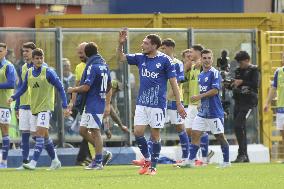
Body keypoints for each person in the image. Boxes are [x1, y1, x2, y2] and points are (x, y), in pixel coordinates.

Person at [117, 29, 186, 175]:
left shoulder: (165, 60)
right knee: (138, 132)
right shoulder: (140, 57)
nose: (142, 45)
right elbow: (121, 57)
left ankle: (153, 167)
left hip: (158, 104)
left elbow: (174, 83)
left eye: (146, 43)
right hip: (142, 103)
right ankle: (147, 159)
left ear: (154, 46)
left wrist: (179, 103)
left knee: (155, 136)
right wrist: (120, 44)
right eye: (143, 42)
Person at [8, 48, 70, 170]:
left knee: (40, 135)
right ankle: (55, 161)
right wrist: (14, 97)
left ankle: (33, 162)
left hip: (45, 108)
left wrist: (64, 105)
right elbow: (23, 88)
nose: (39, 60)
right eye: (37, 58)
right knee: (42, 136)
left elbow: (60, 88)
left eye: (41, 58)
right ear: (33, 59)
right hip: (34, 108)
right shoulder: (29, 72)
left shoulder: (49, 72)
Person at [181, 49, 230, 168]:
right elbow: (204, 91)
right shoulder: (201, 74)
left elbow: (215, 91)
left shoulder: (214, 73)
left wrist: (199, 96)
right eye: (205, 58)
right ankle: (191, 161)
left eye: (209, 58)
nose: (207, 60)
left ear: (212, 59)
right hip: (203, 112)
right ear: (201, 59)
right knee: (195, 133)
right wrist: (200, 103)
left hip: (214, 112)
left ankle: (226, 162)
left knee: (220, 136)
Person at [67, 42, 112, 170]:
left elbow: (86, 87)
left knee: (96, 132)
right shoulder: (104, 65)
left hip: (94, 103)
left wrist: (73, 89)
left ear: (87, 53)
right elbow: (109, 85)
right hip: (93, 102)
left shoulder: (93, 67)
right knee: (83, 130)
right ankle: (101, 154)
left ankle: (98, 161)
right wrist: (102, 93)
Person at [158, 38, 189, 165]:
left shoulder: (177, 63)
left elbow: (178, 83)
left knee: (180, 128)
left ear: (170, 48)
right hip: (161, 101)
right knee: (156, 127)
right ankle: (150, 157)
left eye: (164, 48)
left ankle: (186, 157)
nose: (162, 50)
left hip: (174, 101)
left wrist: (166, 97)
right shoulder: (160, 62)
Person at [183, 45, 214, 166]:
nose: (190, 53)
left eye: (191, 51)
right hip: (192, 103)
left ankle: (203, 158)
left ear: (198, 53)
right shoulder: (192, 66)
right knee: (189, 130)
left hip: (201, 103)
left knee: (199, 130)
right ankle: (205, 153)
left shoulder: (202, 66)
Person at [231, 51, 259, 163]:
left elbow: (255, 84)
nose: (239, 65)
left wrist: (241, 81)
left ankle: (241, 154)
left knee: (238, 125)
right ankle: (244, 156)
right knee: (240, 127)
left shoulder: (253, 70)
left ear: (247, 60)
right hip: (238, 101)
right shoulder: (238, 70)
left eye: (241, 62)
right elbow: (235, 85)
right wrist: (231, 84)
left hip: (248, 102)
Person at [0, 43, 16, 168]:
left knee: (4, 131)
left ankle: (4, 162)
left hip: (4, 104)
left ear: (5, 52)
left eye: (0, 51)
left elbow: (11, 84)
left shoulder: (8, 66)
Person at [264, 53, 284, 149]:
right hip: (280, 108)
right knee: (282, 133)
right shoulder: (278, 72)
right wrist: (267, 103)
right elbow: (273, 88)